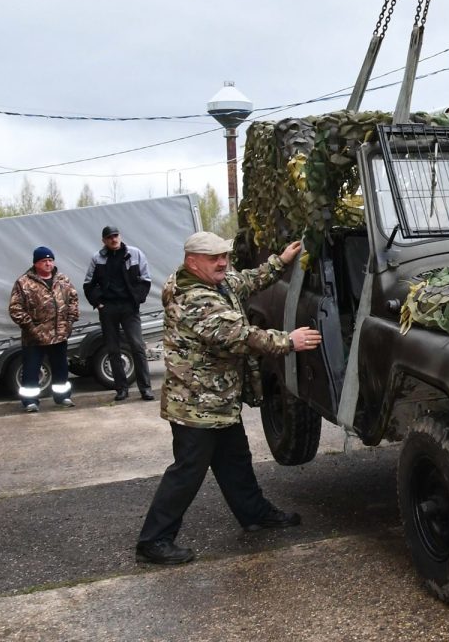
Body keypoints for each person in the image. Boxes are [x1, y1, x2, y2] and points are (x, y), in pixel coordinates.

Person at [135, 232, 323, 565]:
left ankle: (254, 514)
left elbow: (245, 281)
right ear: (193, 261)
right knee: (188, 472)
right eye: (214, 258)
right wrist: (289, 341)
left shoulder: (213, 282)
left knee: (235, 460)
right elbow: (241, 335)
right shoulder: (195, 299)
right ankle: (154, 540)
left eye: (224, 256)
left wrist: (280, 261)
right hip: (196, 404)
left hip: (218, 399)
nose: (223, 263)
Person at [83, 225, 154, 401]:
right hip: (108, 309)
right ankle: (121, 389)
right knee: (113, 349)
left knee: (137, 346)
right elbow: (88, 284)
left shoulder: (135, 254)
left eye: (115, 236)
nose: (113, 239)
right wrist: (99, 303)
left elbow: (145, 279)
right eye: (109, 237)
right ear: (104, 241)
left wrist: (137, 299)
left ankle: (145, 389)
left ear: (120, 236)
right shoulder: (97, 258)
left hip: (129, 308)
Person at [8, 246, 80, 412]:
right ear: (36, 263)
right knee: (31, 370)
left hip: (59, 334)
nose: (48, 264)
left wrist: (69, 322)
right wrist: (31, 328)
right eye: (44, 261)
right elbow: (15, 309)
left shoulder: (62, 279)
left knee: (61, 368)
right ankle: (30, 401)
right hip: (34, 337)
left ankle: (63, 397)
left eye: (50, 260)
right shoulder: (23, 283)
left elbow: (73, 300)